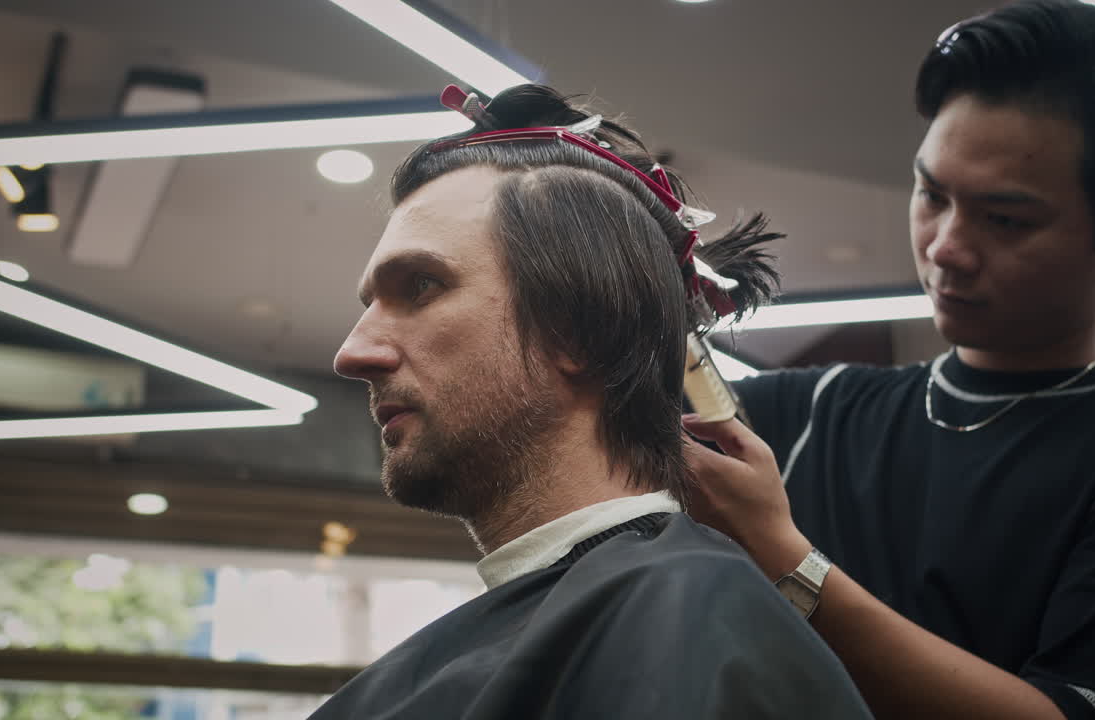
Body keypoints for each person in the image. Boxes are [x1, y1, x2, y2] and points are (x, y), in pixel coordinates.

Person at [683, 1, 1095, 719]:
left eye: (1004, 218)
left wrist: (790, 564)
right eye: (931, 194)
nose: (945, 245)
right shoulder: (808, 414)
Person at [312, 84, 872, 719]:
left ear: (579, 326)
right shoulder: (645, 617)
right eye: (370, 305)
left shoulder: (688, 625)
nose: (352, 353)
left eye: (420, 286)